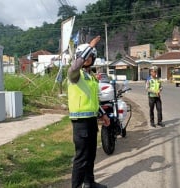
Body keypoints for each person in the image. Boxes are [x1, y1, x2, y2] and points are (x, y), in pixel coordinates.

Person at [67, 35, 110, 188]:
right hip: (80, 123)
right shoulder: (75, 75)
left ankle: (89, 182)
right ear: (80, 57)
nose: (87, 59)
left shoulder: (90, 78)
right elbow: (74, 67)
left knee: (91, 155)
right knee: (81, 158)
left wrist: (103, 114)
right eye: (85, 56)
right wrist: (89, 47)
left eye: (90, 56)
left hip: (91, 120)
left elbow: (93, 100)